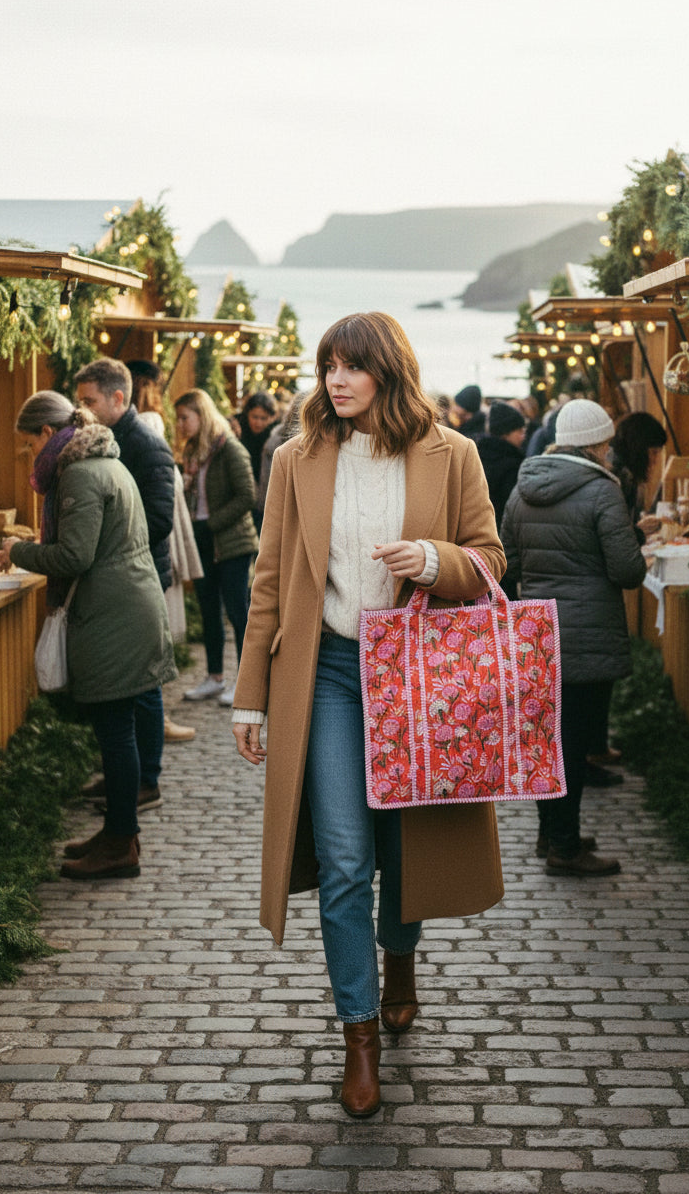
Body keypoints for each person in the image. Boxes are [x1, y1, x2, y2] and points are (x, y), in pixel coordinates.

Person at [231, 311, 506, 1118]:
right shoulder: (296, 459)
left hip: (417, 675)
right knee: (347, 859)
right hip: (326, 672)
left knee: (402, 845)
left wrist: (434, 560)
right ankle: (359, 1036)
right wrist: (251, 694)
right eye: (328, 368)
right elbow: (270, 579)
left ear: (388, 370)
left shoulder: (452, 454)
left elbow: (490, 559)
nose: (336, 382)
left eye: (352, 367)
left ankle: (402, 958)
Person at [0, 392, 175, 879]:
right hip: (124, 609)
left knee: (115, 733)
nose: (30, 457)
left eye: (29, 445)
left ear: (48, 434)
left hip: (113, 616)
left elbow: (74, 556)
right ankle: (120, 832)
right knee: (120, 730)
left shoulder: (78, 475)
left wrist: (18, 549)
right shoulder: (99, 462)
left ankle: (120, 844)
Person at [501, 398, 646, 878]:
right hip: (586, 636)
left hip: (537, 635)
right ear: (598, 444)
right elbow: (626, 570)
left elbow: (509, 568)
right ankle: (565, 847)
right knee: (576, 745)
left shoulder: (523, 491)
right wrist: (636, 540)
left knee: (547, 740)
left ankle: (551, 833)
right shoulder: (602, 492)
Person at [74, 358, 176, 810]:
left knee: (144, 691)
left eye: (89, 401)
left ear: (118, 398)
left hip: (142, 576)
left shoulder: (147, 446)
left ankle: (145, 781)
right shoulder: (113, 440)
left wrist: (108, 532)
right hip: (126, 576)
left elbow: (159, 519)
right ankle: (123, 777)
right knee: (130, 692)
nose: (84, 410)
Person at [126, 359, 203, 743]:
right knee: (154, 635)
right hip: (163, 530)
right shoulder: (150, 424)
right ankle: (157, 720)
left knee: (149, 638)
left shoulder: (140, 427)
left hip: (157, 530)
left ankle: (155, 721)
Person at [175, 388, 258, 707]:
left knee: (238, 613)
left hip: (232, 543)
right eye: (179, 418)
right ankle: (214, 677)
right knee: (209, 609)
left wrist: (210, 523)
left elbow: (247, 496)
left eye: (186, 417)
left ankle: (245, 683)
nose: (181, 424)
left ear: (202, 415)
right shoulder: (193, 450)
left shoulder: (229, 449)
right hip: (202, 541)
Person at [476, 401, 526, 599]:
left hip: (477, 543)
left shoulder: (477, 455)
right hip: (502, 544)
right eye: (519, 431)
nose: (523, 436)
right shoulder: (513, 465)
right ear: (506, 432)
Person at [610, 411, 668, 541]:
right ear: (639, 449)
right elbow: (613, 537)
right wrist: (639, 532)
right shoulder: (616, 477)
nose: (655, 460)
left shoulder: (625, 473)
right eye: (654, 453)